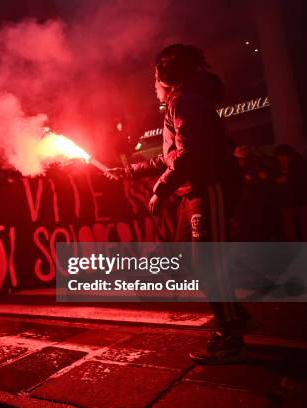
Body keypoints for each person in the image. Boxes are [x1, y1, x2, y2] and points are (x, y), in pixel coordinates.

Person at [106, 44, 249, 364]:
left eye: (155, 78)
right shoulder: (180, 103)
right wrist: (129, 171)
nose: (153, 85)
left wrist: (159, 189)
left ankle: (231, 334)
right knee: (195, 257)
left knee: (207, 261)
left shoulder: (184, 102)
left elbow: (188, 155)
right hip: (194, 189)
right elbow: (170, 156)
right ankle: (233, 315)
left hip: (206, 187)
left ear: (167, 78)